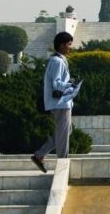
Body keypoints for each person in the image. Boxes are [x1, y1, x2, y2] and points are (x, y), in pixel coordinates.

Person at [31, 32, 79, 173]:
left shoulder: (59, 60)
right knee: (63, 134)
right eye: (69, 44)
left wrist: (69, 83)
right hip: (60, 103)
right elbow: (57, 83)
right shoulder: (57, 61)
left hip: (61, 103)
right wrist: (71, 86)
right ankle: (63, 163)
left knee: (65, 131)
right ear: (62, 45)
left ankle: (39, 155)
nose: (70, 47)